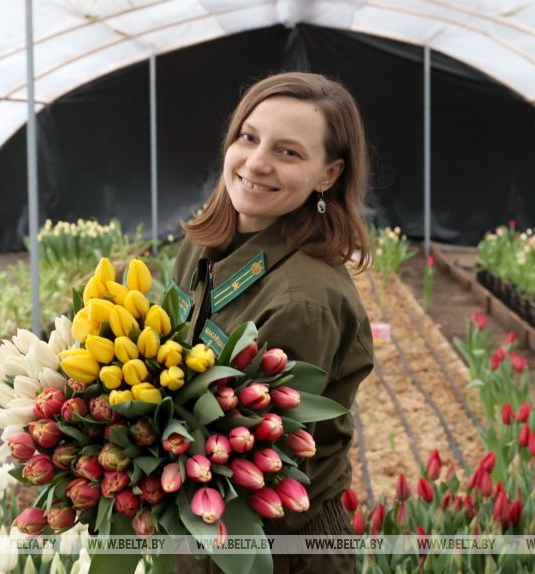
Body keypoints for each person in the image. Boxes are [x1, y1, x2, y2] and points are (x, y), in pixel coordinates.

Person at [172, 72, 374, 573]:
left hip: (274, 543)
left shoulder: (303, 301)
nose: (256, 163)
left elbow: (261, 462)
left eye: (289, 152)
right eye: (249, 137)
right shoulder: (203, 244)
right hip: (198, 520)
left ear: (328, 175)